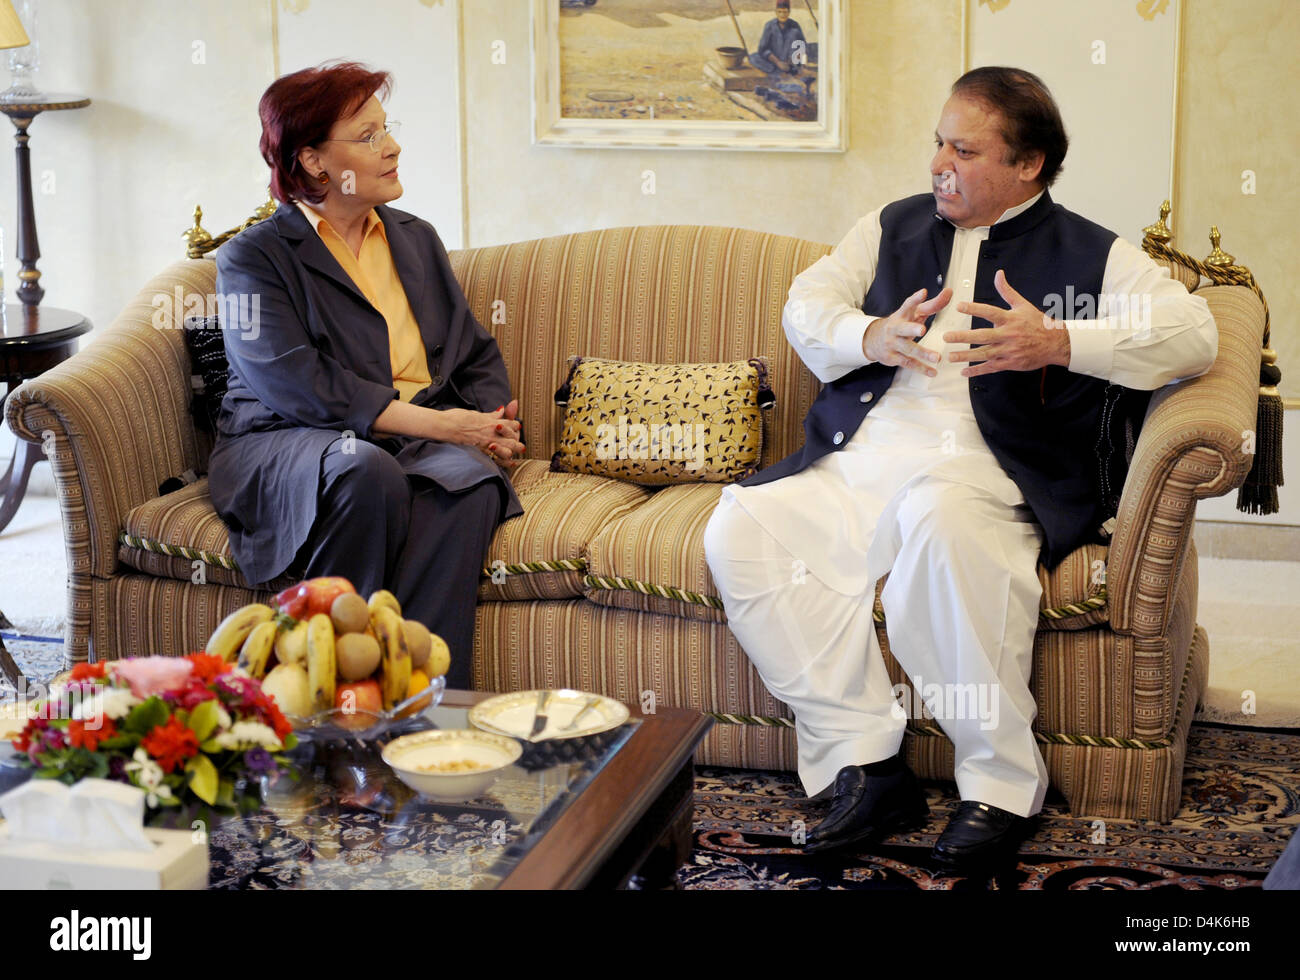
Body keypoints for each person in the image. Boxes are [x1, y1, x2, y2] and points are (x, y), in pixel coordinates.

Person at [703, 66, 1217, 872]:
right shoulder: (891, 224)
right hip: (862, 459)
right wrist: (868, 336)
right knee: (743, 526)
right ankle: (865, 765)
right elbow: (808, 302)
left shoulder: (1091, 251)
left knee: (942, 532)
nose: (939, 162)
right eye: (938, 141)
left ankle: (1004, 785)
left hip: (985, 471)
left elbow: (1194, 335)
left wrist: (1060, 342)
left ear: (1028, 165)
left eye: (965, 149)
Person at [209, 61, 525, 691]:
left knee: (472, 484)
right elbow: (297, 385)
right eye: (369, 134)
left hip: (406, 439)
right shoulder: (254, 258)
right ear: (315, 161)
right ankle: (320, 695)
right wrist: (443, 425)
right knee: (365, 468)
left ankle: (420, 702)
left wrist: (489, 427)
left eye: (388, 128)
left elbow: (472, 354)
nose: (393, 146)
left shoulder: (415, 239)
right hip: (282, 439)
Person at [748, 0, 815, 77]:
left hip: (790, 62)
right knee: (753, 57)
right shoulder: (769, 25)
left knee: (794, 33)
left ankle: (788, 69)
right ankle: (778, 70)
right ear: (776, 12)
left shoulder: (795, 25)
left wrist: (791, 61)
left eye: (785, 12)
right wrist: (778, 62)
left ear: (789, 12)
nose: (782, 15)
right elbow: (763, 49)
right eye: (780, 12)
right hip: (774, 61)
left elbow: (802, 46)